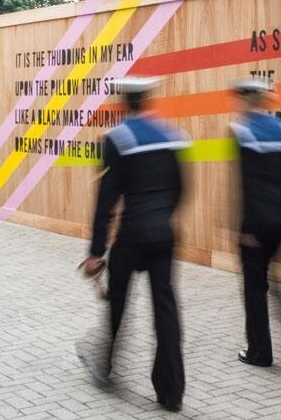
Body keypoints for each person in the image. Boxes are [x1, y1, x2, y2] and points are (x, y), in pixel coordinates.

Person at [80, 76, 188, 412]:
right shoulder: (172, 136)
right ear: (147, 100)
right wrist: (163, 216)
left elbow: (106, 200)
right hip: (164, 235)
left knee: (118, 304)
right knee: (165, 311)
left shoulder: (116, 139)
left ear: (122, 102)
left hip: (132, 237)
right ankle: (171, 392)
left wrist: (96, 252)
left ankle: (105, 365)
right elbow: (182, 188)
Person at [230, 77, 281, 367]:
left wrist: (246, 229)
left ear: (247, 100)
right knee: (269, 279)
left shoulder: (242, 131)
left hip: (257, 224)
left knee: (254, 287)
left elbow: (246, 184)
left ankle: (260, 351)